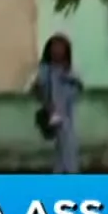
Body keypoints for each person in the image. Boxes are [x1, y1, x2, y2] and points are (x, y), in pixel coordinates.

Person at [35, 34, 82, 173]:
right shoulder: (45, 69)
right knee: (61, 150)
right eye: (54, 47)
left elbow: (77, 89)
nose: (57, 51)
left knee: (69, 148)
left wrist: (70, 81)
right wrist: (46, 103)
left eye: (60, 48)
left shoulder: (70, 70)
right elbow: (38, 89)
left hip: (67, 115)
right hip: (52, 113)